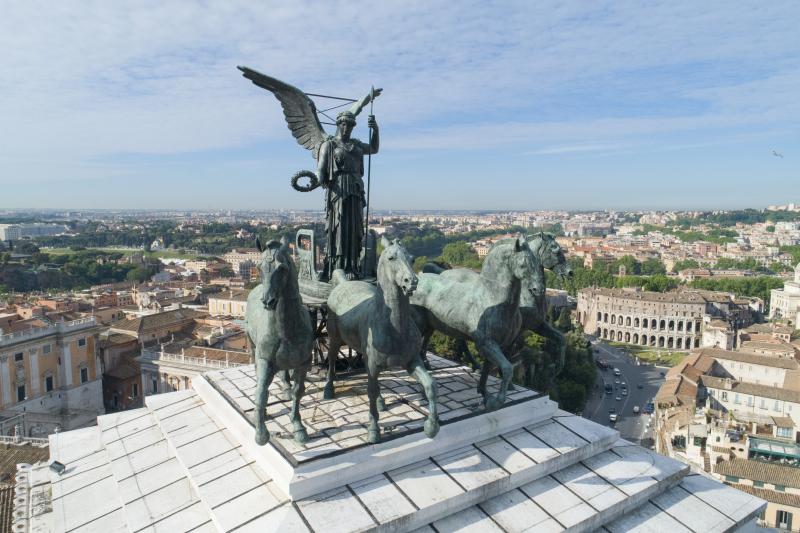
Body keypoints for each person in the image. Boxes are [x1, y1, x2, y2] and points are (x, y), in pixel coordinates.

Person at [317, 109, 379, 279]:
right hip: (338, 191)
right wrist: (319, 180)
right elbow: (321, 172)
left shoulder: (357, 144)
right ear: (338, 124)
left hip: (356, 190)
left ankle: (352, 266)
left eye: (350, 125)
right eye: (344, 124)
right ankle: (335, 267)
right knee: (340, 228)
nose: (347, 128)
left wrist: (376, 130)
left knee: (354, 228)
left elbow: (374, 149)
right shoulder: (329, 145)